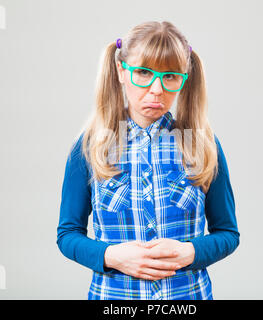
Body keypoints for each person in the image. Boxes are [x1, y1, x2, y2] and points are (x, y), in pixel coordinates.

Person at [56, 21, 240, 300]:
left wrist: (190, 252)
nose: (157, 89)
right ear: (121, 71)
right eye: (143, 73)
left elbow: (227, 233)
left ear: (184, 78)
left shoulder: (203, 146)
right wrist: (110, 255)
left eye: (170, 77)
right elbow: (68, 234)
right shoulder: (89, 148)